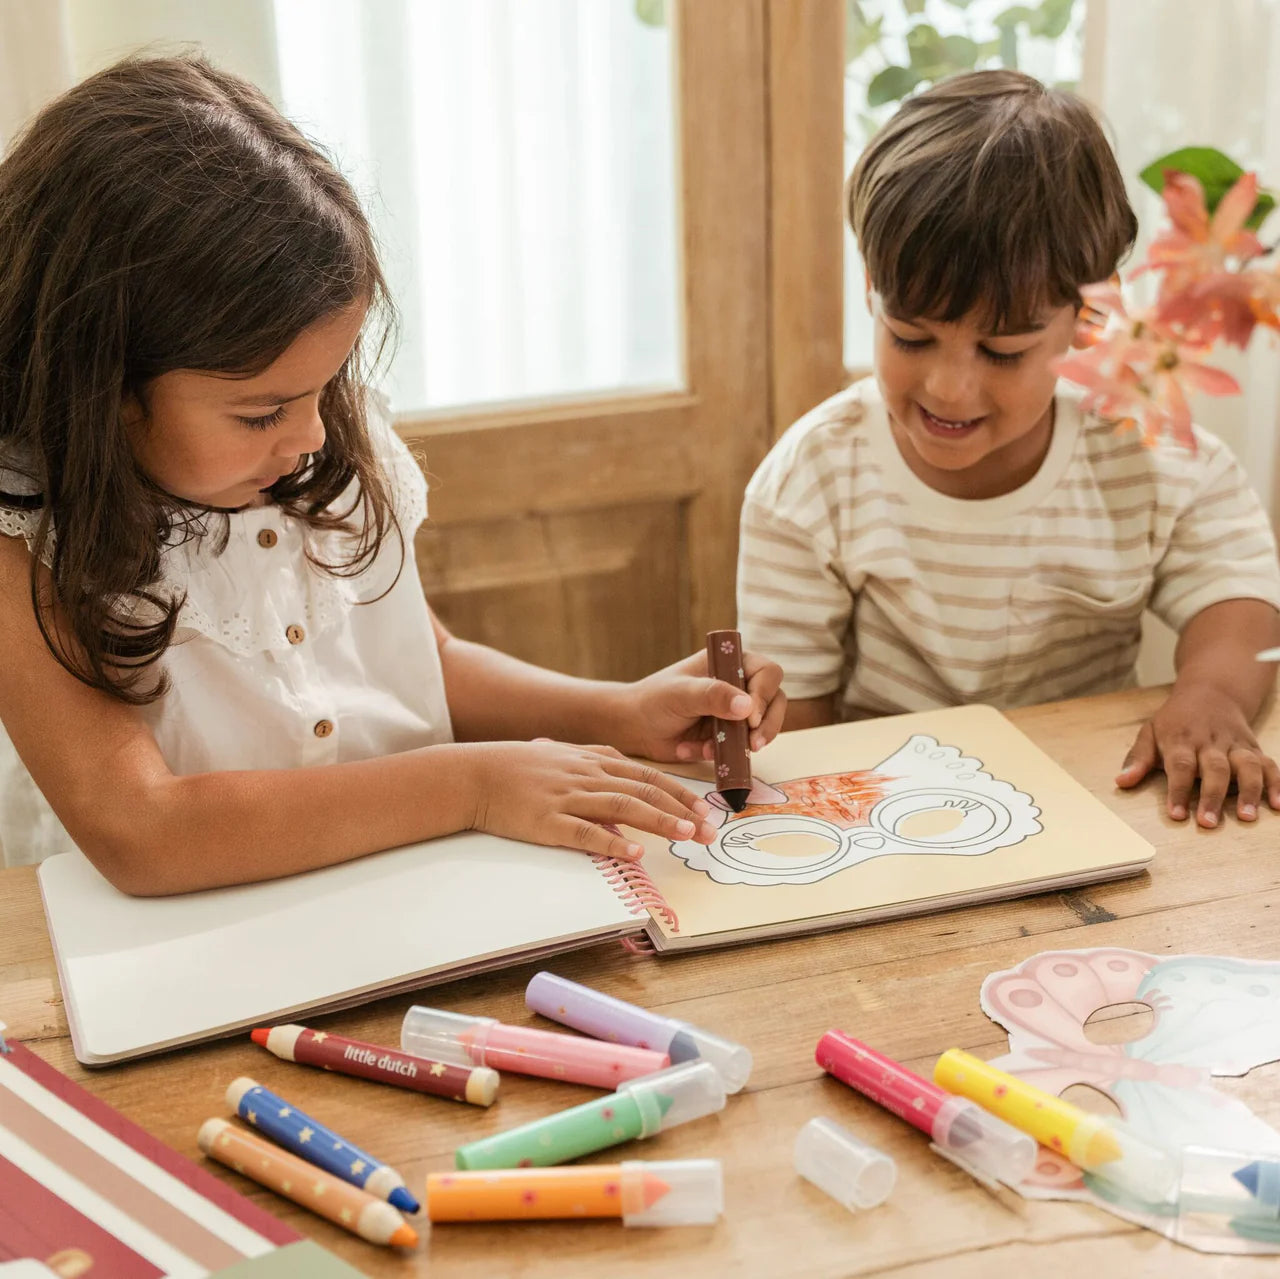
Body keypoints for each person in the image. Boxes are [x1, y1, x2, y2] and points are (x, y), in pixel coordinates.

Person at [0, 55, 785, 894]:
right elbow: (143, 829)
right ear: (103, 386)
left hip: (408, 897)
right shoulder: (24, 533)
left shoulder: (316, 442)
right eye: (263, 412)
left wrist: (617, 709)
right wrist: (474, 785)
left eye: (326, 386)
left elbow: (422, 659)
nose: (310, 435)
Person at [738, 70, 1280, 830]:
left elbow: (1237, 589)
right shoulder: (812, 479)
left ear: (1091, 316)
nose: (949, 388)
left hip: (1096, 800)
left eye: (1002, 352)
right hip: (895, 814)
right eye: (910, 337)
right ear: (871, 289)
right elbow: (797, 723)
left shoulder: (1148, 452)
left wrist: (1212, 694)